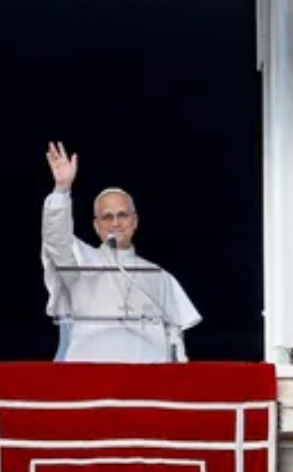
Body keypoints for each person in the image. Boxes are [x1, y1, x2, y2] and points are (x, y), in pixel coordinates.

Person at [40, 141, 201, 363]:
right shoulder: (79, 262)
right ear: (96, 226)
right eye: (107, 216)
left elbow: (174, 339)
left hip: (145, 379)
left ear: (135, 221)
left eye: (122, 215)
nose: (115, 223)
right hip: (90, 377)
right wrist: (61, 190)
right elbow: (56, 240)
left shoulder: (159, 276)